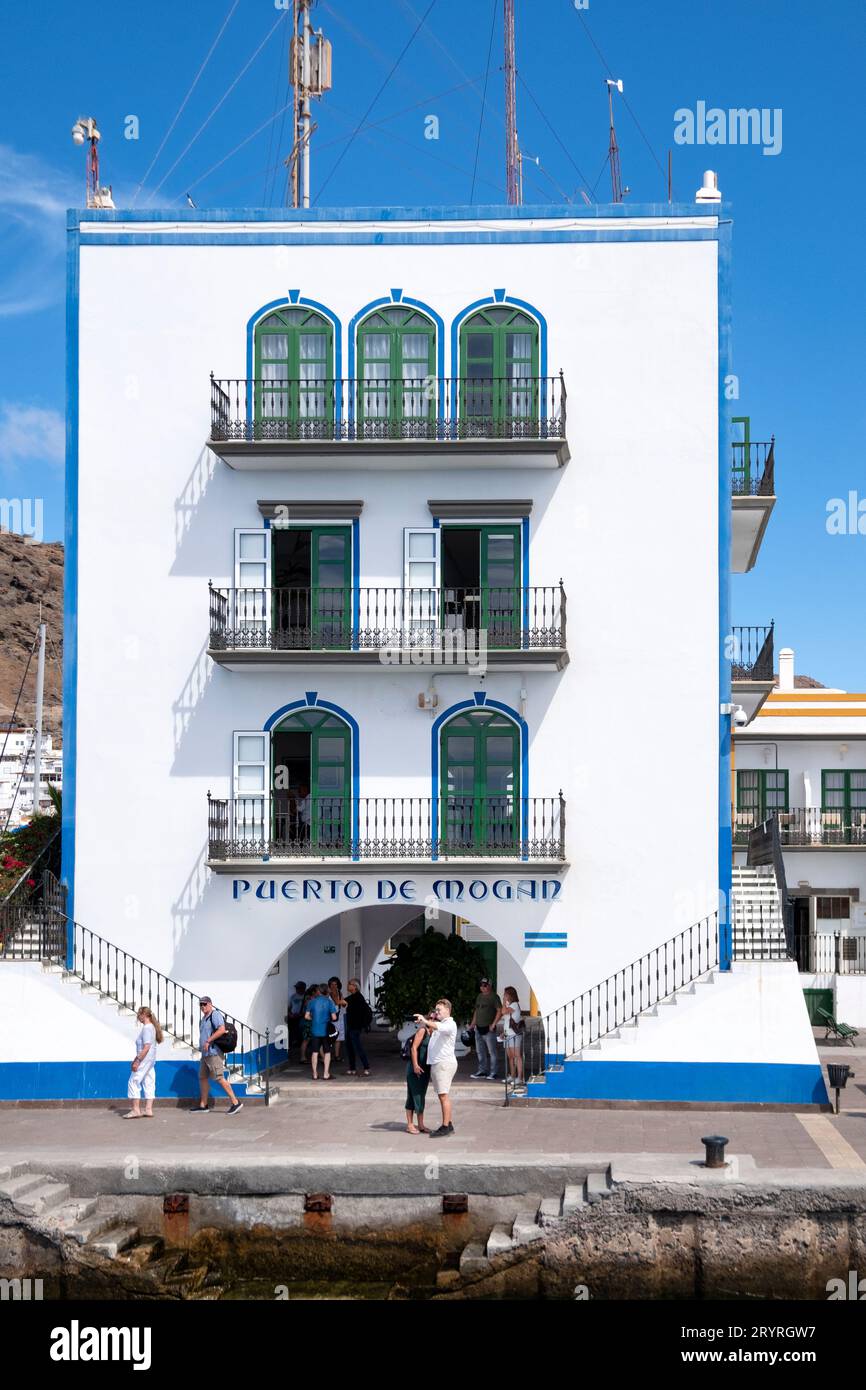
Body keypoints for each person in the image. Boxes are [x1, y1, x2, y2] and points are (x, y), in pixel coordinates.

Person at [190, 996, 243, 1114]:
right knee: (202, 1077)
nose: (202, 1006)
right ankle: (203, 1105)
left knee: (219, 1077)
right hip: (205, 1054)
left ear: (210, 1004)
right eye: (201, 1004)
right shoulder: (204, 1019)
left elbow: (221, 1029)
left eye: (204, 1004)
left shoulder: (215, 1015)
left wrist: (208, 1041)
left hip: (213, 1053)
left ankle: (235, 1102)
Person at [414, 998, 458, 1137]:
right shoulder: (441, 1023)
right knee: (442, 1095)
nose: (437, 1012)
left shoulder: (449, 1024)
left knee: (443, 1095)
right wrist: (426, 1021)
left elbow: (437, 1027)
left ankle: (445, 1127)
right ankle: (448, 1123)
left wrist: (425, 1020)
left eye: (439, 1010)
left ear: (448, 1010)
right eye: (436, 1009)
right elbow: (433, 1027)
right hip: (439, 1063)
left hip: (443, 1064)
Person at [124, 1007, 162, 1118]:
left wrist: (137, 1061)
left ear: (144, 1015)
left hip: (144, 1060)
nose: (137, 1017)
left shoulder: (147, 1028)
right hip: (150, 1060)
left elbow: (146, 1047)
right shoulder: (152, 1027)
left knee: (133, 1081)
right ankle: (148, 1109)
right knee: (149, 1081)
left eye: (138, 1015)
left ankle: (136, 1110)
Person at [469, 977, 502, 1080]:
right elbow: (477, 1011)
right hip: (478, 1028)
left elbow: (499, 1010)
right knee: (480, 1051)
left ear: (489, 986)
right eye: (481, 985)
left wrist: (494, 1024)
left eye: (485, 985)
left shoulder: (494, 997)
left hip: (489, 1029)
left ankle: (493, 1072)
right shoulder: (479, 996)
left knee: (492, 1052)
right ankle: (482, 1071)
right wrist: (472, 1024)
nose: (482, 987)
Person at [496, 986, 526, 1092]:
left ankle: (520, 1078)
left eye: (505, 994)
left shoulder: (514, 1005)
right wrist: (503, 1033)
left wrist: (504, 1002)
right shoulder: (510, 1005)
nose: (504, 996)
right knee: (510, 1057)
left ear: (510, 995)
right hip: (508, 1034)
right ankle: (512, 1076)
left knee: (517, 1056)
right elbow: (507, 1021)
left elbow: (503, 1012)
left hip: (514, 1034)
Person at [306, 982, 338, 1079]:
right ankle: (326, 1074)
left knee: (315, 1052)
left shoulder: (312, 1002)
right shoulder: (329, 1002)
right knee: (327, 1052)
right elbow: (334, 1017)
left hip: (315, 1030)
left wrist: (314, 1019)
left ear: (318, 991)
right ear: (326, 991)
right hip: (326, 1031)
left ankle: (315, 1074)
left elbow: (306, 1016)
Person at [344, 977, 373, 1076]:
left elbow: (340, 1002)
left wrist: (334, 992)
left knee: (358, 1047)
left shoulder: (357, 997)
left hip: (355, 1027)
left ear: (355, 987)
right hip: (351, 1026)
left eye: (350, 984)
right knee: (350, 1047)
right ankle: (352, 1068)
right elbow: (342, 1003)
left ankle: (367, 1068)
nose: (348, 985)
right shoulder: (353, 997)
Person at [328, 976, 347, 1063]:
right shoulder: (329, 993)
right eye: (332, 984)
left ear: (338, 985)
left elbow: (343, 1004)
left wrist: (343, 1002)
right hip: (331, 1017)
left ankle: (336, 1055)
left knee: (338, 1037)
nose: (333, 986)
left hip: (339, 1016)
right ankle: (329, 1055)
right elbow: (337, 1002)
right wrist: (343, 1002)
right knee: (330, 1036)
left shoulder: (339, 992)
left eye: (335, 984)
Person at [287, 979, 306, 1059]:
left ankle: (300, 1045)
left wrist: (302, 1014)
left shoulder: (306, 997)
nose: (297, 989)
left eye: (298, 988)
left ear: (303, 988)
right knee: (292, 1031)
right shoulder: (293, 996)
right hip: (293, 1017)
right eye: (296, 988)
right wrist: (290, 1014)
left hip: (302, 1017)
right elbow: (289, 1007)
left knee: (301, 1031)